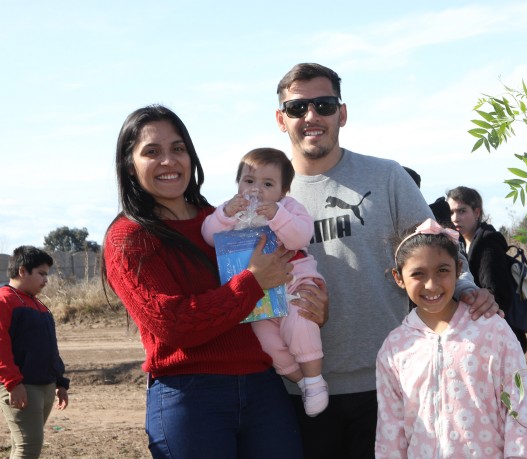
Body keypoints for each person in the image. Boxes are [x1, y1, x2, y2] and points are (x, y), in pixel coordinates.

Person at [275, 62, 499, 458]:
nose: (311, 117)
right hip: (299, 387)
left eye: (324, 105)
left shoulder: (387, 177)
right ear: (282, 119)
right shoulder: (268, 192)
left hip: (389, 378)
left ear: (342, 114)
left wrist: (465, 289)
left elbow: (433, 247)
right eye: (298, 108)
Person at [102, 105, 328, 459]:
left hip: (263, 386)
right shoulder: (129, 237)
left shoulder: (226, 219)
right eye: (151, 152)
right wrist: (252, 283)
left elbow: (286, 264)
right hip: (190, 395)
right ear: (129, 165)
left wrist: (310, 301)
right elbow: (172, 324)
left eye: (178, 149)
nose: (168, 161)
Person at [376, 219, 527, 458]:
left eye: (442, 270)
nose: (431, 285)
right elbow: (390, 432)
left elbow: (520, 413)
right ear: (398, 277)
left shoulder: (492, 330)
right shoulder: (395, 348)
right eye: (418, 274)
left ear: (458, 269)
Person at [201, 147, 329, 417]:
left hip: (295, 281)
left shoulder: (290, 209)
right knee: (265, 341)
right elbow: (209, 236)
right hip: (259, 296)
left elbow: (301, 237)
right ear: (238, 183)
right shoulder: (231, 210)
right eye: (249, 181)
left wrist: (277, 215)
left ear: (283, 191)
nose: (256, 190)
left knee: (300, 321)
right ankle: (301, 380)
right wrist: (224, 214)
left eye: (268, 184)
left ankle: (315, 377)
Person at [0, 246, 69, 459]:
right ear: (22, 271)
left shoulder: (39, 305)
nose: (45, 280)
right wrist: (13, 382)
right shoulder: (4, 300)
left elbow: (49, 347)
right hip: (22, 386)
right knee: (28, 447)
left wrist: (60, 382)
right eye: (41, 273)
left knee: (23, 444)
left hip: (46, 386)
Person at [446, 185, 527, 352]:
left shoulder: (488, 246)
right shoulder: (461, 245)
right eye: (451, 212)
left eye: (462, 211)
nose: (455, 218)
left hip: (497, 338)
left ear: (477, 213)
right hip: (482, 335)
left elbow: (497, 295)